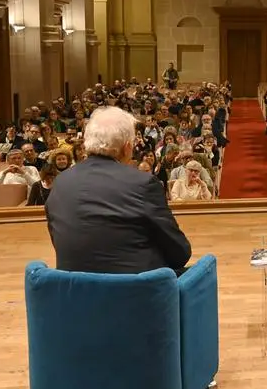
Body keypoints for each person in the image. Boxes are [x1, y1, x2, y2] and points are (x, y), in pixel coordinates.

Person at [45, 106, 192, 274]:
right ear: (127, 147)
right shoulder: (143, 183)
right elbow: (180, 253)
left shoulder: (61, 182)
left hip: (75, 292)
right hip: (132, 293)